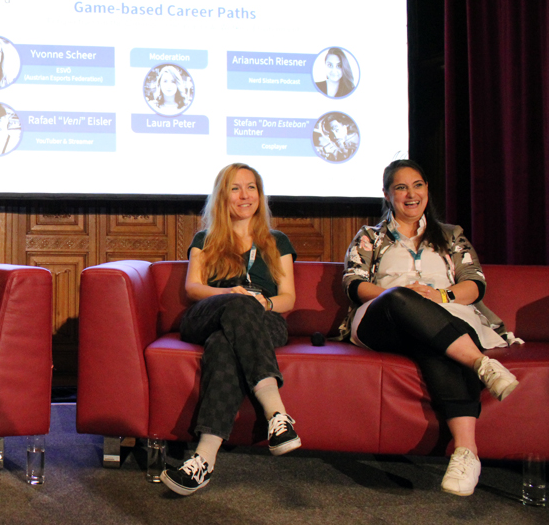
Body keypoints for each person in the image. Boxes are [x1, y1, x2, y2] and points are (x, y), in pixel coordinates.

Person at [342, 159, 520, 496]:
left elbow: (475, 284)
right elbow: (353, 283)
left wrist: (440, 295)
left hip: (444, 316)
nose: (411, 194)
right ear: (387, 194)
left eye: (418, 185)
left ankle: (466, 452)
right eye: (401, 187)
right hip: (382, 319)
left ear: (427, 190)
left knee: (433, 342)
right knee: (400, 300)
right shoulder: (371, 236)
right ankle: (481, 363)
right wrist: (402, 295)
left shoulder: (451, 235)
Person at [161, 163, 302, 496]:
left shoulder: (277, 241)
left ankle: (203, 459)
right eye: (235, 188)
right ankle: (277, 414)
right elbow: (193, 288)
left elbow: (288, 298)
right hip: (207, 313)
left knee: (224, 345)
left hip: (263, 321)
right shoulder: (206, 239)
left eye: (251, 187)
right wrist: (229, 294)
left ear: (260, 195)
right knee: (238, 305)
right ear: (222, 196)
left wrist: (260, 303)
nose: (245, 195)